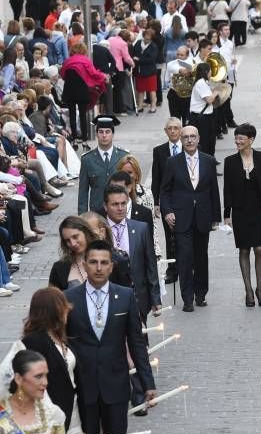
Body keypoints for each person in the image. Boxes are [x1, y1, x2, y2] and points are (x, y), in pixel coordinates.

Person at [64, 239, 156, 434]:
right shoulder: (69, 298)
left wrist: (148, 383)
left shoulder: (124, 296)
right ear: (84, 264)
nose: (98, 267)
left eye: (104, 262)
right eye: (93, 262)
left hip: (115, 386)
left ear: (112, 266)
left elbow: (136, 342)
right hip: (83, 387)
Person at [21, 287, 90, 434]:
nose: (67, 311)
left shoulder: (59, 337)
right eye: (63, 308)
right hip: (53, 422)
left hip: (73, 418)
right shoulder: (34, 342)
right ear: (53, 311)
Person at [159, 125, 221, 312]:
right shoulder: (172, 162)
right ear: (181, 140)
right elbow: (165, 190)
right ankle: (187, 298)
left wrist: (216, 216)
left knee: (201, 257)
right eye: (185, 137)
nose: (189, 140)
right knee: (184, 257)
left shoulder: (209, 161)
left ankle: (201, 294)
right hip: (181, 217)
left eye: (193, 136)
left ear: (199, 138)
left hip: (203, 216)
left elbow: (214, 191)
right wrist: (167, 211)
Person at [223, 124, 261, 308]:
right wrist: (226, 214)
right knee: (244, 249)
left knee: (260, 249)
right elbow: (227, 189)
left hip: (260, 209)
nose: (237, 141)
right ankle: (248, 290)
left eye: (241, 138)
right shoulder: (230, 161)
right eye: (236, 138)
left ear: (251, 140)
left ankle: (260, 289)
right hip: (240, 211)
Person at [0, 348, 72, 434]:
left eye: (46, 375)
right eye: (38, 376)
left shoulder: (53, 415)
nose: (45, 382)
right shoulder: (2, 416)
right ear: (18, 379)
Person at [102, 183, 160, 322]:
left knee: (140, 340)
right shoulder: (98, 230)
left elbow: (150, 264)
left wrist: (155, 298)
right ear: (105, 206)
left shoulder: (141, 228)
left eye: (124, 203)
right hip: (108, 298)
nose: (120, 208)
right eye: (115, 204)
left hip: (137, 298)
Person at [48, 215, 128, 290]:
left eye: (75, 237)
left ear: (86, 233)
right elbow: (53, 299)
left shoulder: (114, 261)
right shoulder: (59, 268)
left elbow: (126, 296)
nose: (73, 243)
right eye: (67, 240)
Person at [150, 118, 182, 284]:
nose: (173, 131)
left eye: (176, 128)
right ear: (165, 131)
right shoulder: (159, 151)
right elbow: (156, 178)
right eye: (169, 128)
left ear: (181, 130)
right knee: (170, 236)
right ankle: (172, 269)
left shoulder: (189, 148)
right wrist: (156, 203)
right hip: (167, 200)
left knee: (185, 234)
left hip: (185, 200)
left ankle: (186, 265)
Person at [77, 115, 128, 213]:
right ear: (96, 134)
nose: (104, 135)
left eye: (108, 132)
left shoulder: (123, 156)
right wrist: (82, 218)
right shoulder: (87, 159)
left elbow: (130, 186)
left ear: (113, 134)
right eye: (101, 132)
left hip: (119, 210)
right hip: (97, 211)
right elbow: (83, 192)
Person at [187, 62, 219, 158]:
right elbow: (209, 100)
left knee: (210, 141)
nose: (211, 74)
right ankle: (206, 163)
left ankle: (210, 160)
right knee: (205, 143)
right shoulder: (201, 83)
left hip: (205, 116)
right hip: (202, 118)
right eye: (210, 71)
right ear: (206, 72)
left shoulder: (204, 82)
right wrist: (216, 93)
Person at [132, 29, 159, 114]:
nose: (146, 40)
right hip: (139, 71)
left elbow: (152, 59)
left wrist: (139, 59)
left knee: (152, 89)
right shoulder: (138, 43)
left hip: (150, 71)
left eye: (149, 39)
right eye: (145, 38)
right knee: (140, 89)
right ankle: (140, 106)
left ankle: (153, 106)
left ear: (151, 39)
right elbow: (133, 53)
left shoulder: (154, 46)